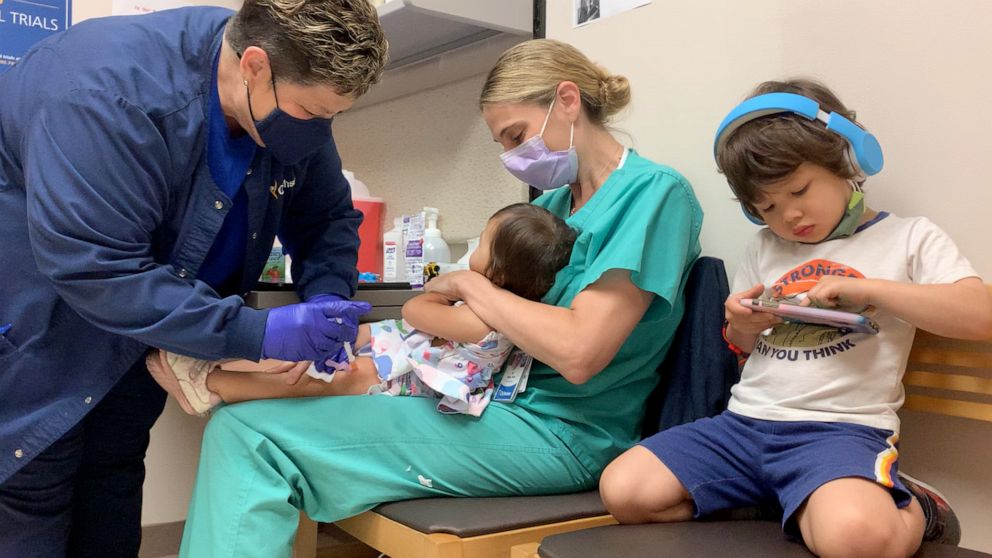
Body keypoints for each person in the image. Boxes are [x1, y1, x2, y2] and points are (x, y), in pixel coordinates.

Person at [177, 39, 703, 557]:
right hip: (486, 396)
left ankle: (215, 385)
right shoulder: (554, 207)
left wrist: (468, 285)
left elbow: (580, 352)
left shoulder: (654, 195)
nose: (511, 158)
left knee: (249, 435)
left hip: (560, 430)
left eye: (516, 135)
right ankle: (216, 374)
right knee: (322, 369)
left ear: (568, 100)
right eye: (502, 144)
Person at [0, 1, 386, 555]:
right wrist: (260, 334)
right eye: (312, 111)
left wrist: (327, 297)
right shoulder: (105, 90)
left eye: (334, 116)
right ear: (254, 65)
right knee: (35, 489)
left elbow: (326, 217)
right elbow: (97, 270)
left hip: (139, 339)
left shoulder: (285, 106)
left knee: (112, 478)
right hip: (42, 333)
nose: (320, 131)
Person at [599, 79, 992, 558]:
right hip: (742, 425)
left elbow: (980, 315)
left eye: (799, 190)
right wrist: (741, 323)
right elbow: (742, 348)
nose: (790, 215)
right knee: (624, 491)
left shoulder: (909, 237)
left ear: (847, 158)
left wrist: (869, 290)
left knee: (855, 542)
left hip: (839, 431)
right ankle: (780, 498)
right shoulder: (766, 245)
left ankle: (921, 509)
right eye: (766, 207)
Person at [147, 203, 577, 417]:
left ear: (498, 268)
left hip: (419, 380)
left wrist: (453, 283)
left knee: (336, 378)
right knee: (326, 341)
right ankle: (213, 364)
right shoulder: (497, 303)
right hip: (409, 350)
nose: (473, 250)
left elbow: (416, 313)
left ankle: (216, 385)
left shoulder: (481, 318)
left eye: (482, 244)